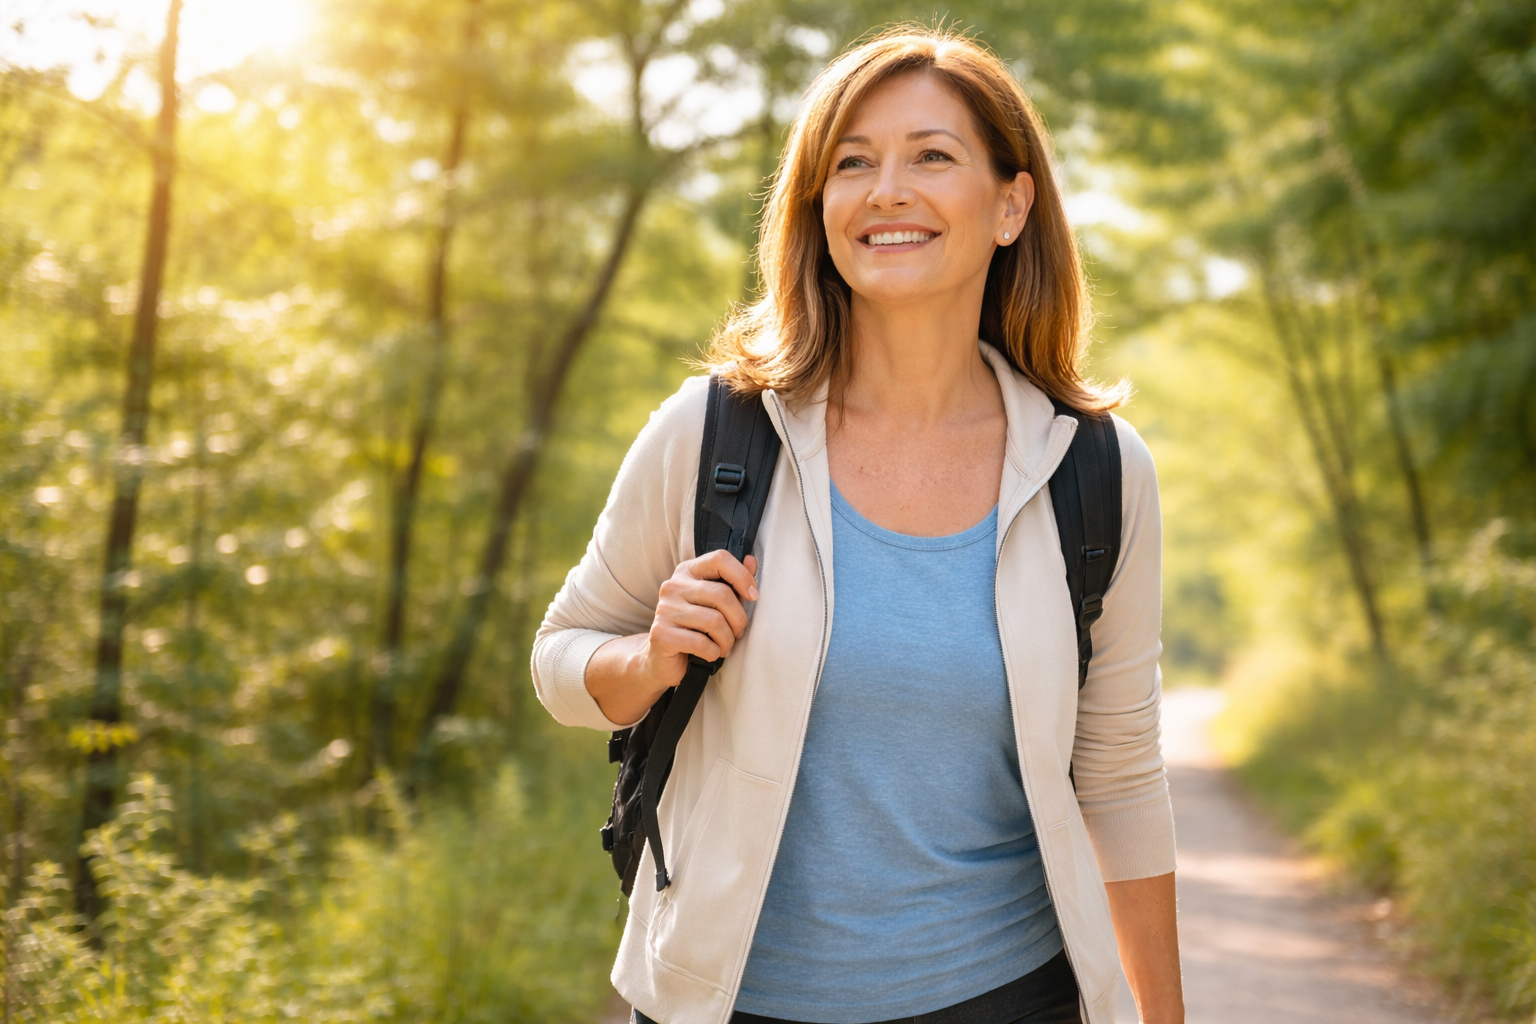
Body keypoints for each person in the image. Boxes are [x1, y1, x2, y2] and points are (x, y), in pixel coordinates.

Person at [532, 28, 1183, 1024]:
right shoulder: (715, 433)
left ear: (1012, 204)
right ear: (818, 208)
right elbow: (559, 661)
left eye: (932, 155)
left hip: (1006, 994)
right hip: (729, 1001)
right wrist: (652, 658)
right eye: (852, 163)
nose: (887, 190)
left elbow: (1122, 782)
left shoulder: (1092, 470)